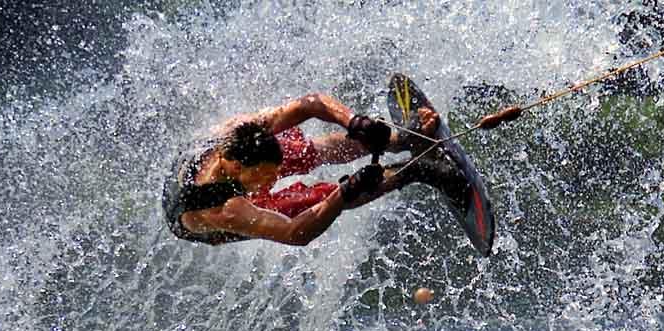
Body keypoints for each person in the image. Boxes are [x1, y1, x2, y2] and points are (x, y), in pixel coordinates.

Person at [161, 93, 461, 246]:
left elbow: (311, 104)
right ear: (238, 168)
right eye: (265, 177)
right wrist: (346, 190)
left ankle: (400, 140)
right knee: (312, 202)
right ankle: (415, 171)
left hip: (205, 165)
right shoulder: (225, 211)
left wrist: (353, 122)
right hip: (195, 214)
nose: (272, 180)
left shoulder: (244, 133)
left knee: (299, 151)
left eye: (272, 174)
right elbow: (295, 234)